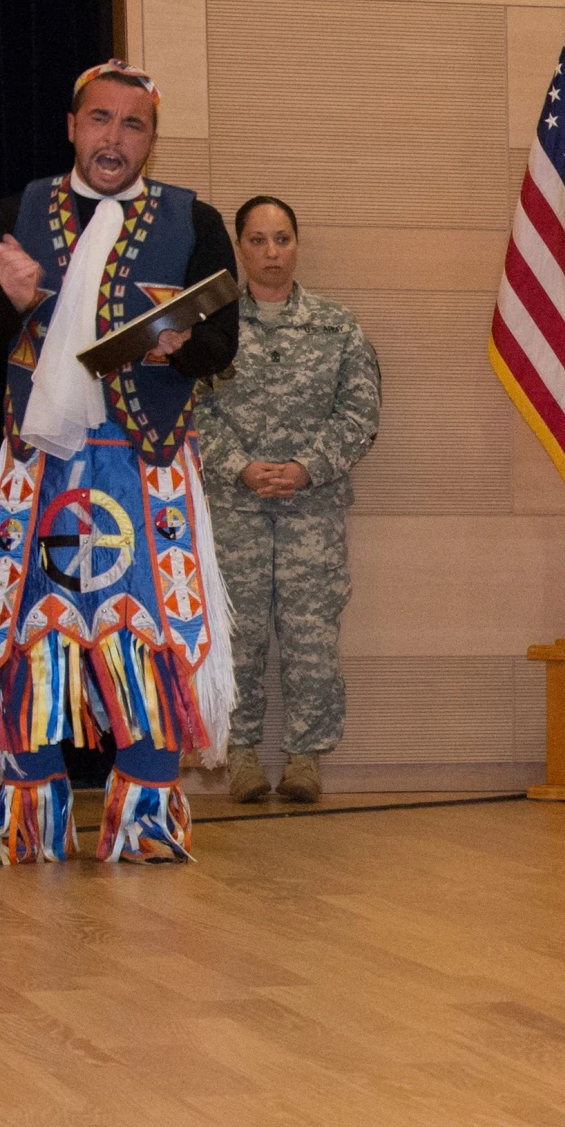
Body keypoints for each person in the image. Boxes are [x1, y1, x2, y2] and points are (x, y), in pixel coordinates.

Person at [0, 59, 239, 864]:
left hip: (147, 468)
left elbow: (223, 340)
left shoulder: (193, 221)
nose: (115, 137)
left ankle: (144, 821)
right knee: (27, 635)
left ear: (151, 137)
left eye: (133, 123)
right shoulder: (15, 216)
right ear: (73, 127)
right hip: (39, 468)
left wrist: (179, 342)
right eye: (100, 120)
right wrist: (8, 300)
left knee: (153, 637)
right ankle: (28, 819)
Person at [194, 196, 380, 804]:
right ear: (240, 248)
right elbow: (192, 413)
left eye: (282, 239)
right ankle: (241, 756)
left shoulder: (337, 326)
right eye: (257, 241)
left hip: (312, 512)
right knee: (237, 635)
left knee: (310, 638)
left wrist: (305, 469)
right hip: (234, 509)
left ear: (298, 244)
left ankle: (305, 758)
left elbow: (360, 414)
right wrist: (242, 468)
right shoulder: (212, 328)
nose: (271, 254)